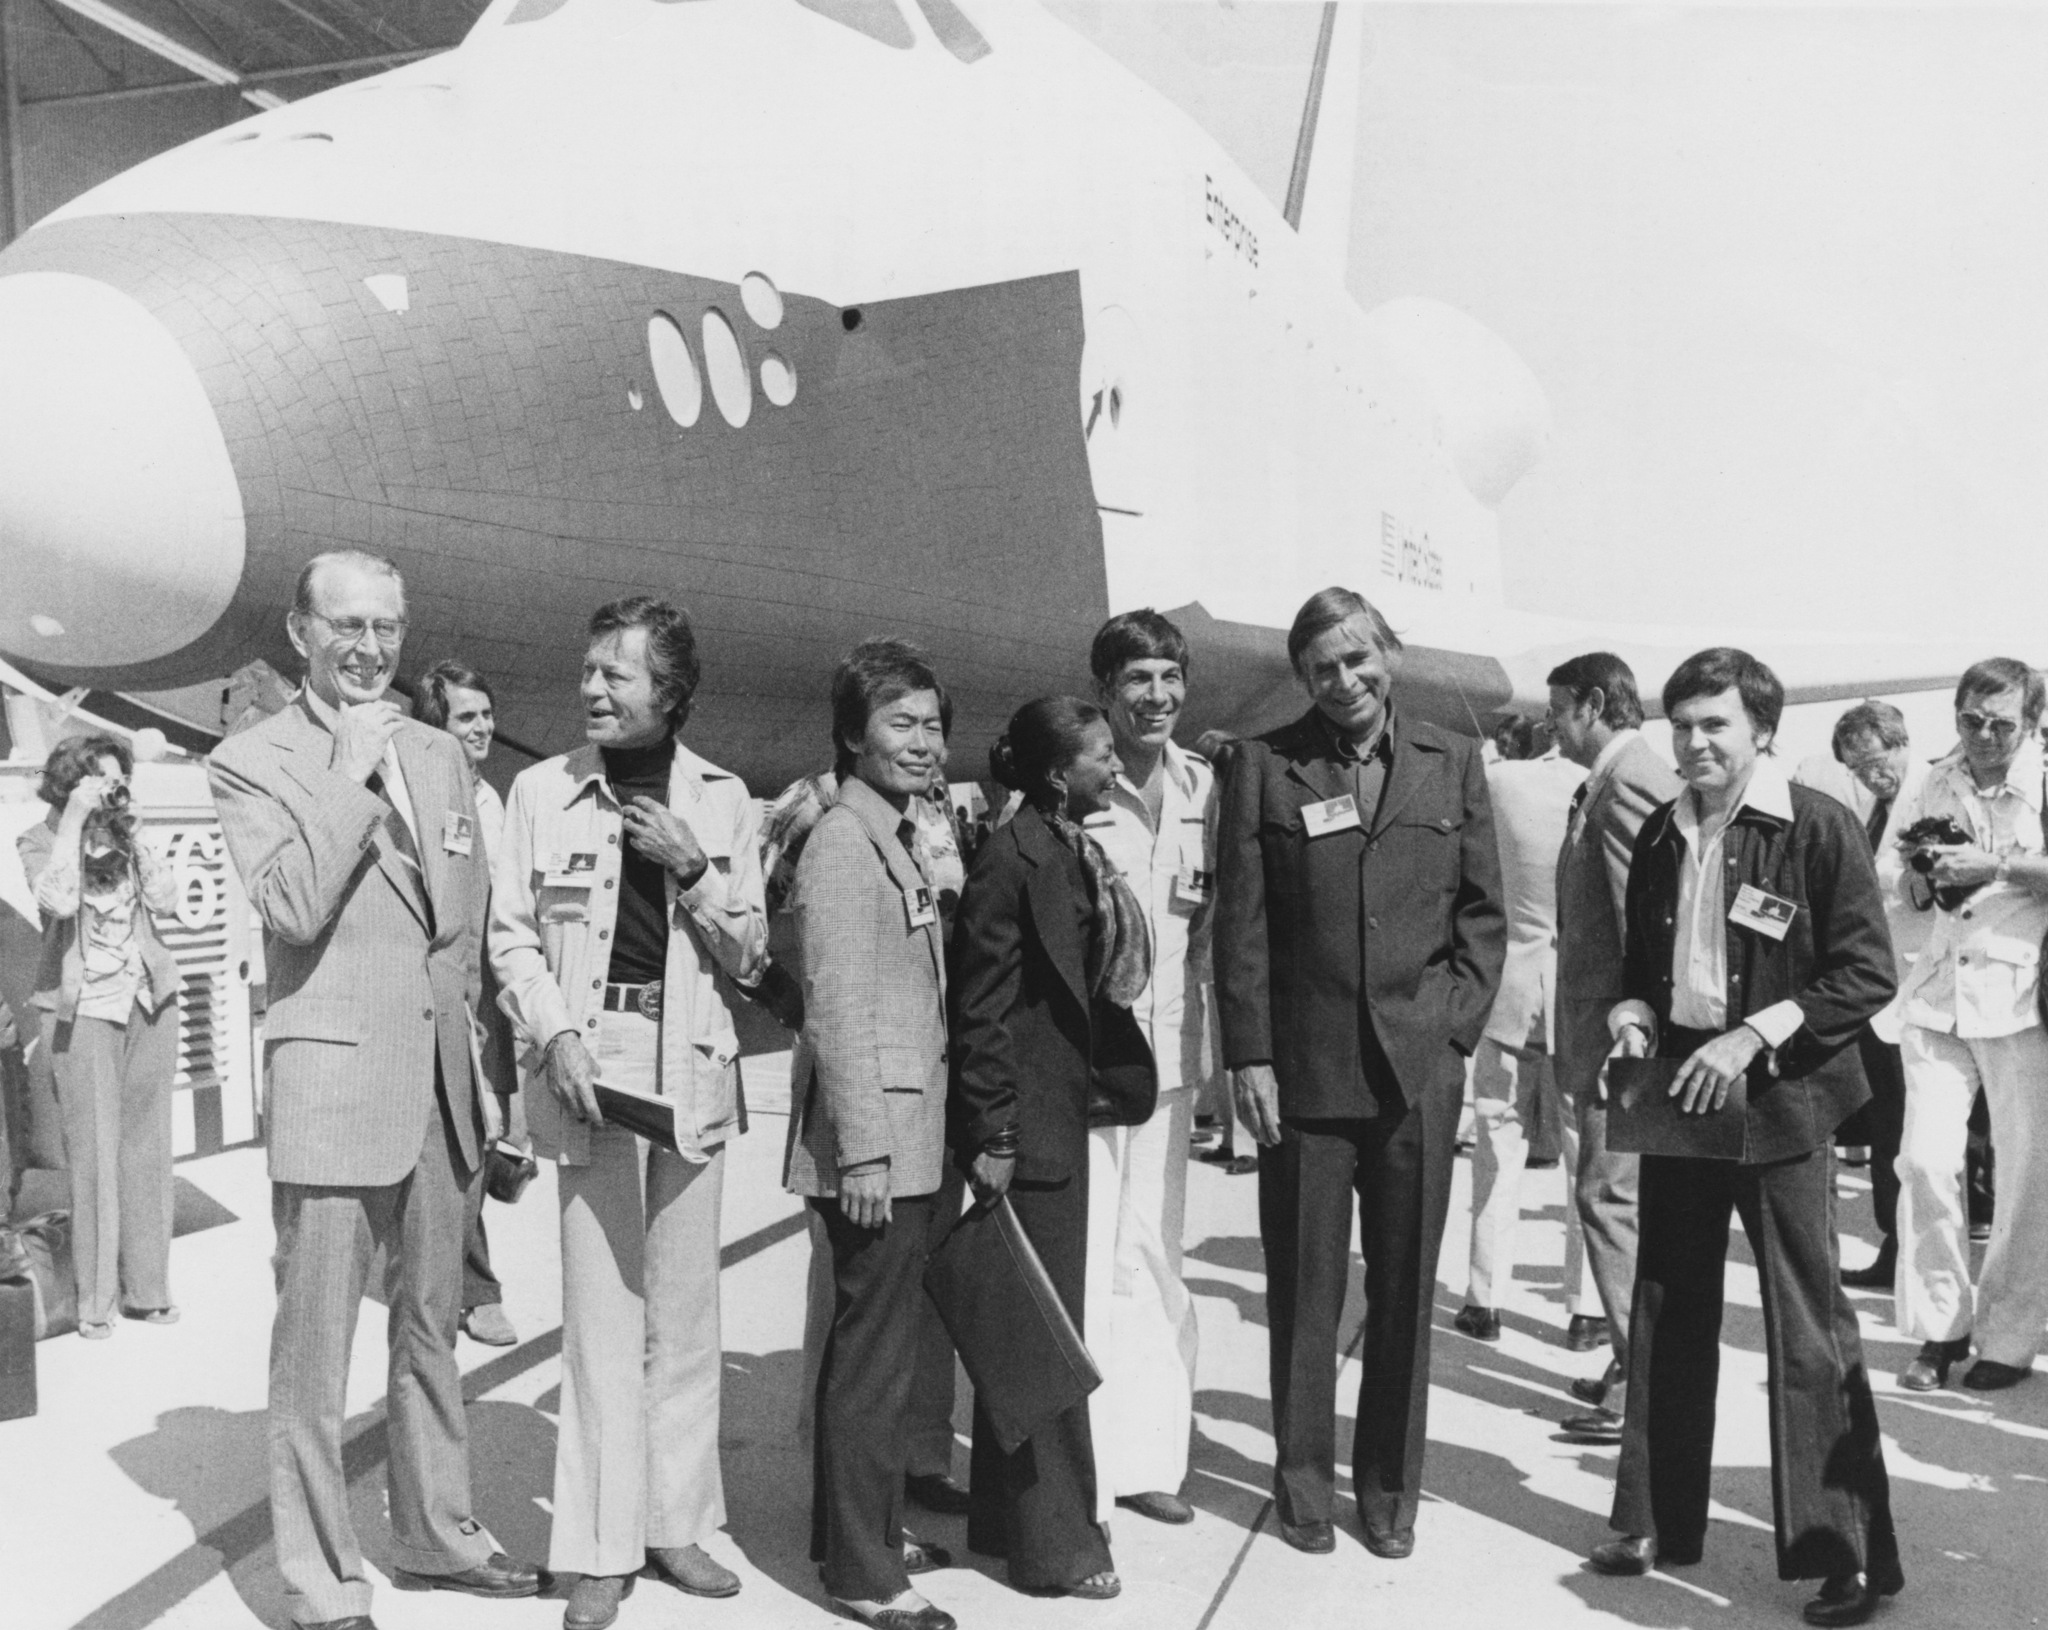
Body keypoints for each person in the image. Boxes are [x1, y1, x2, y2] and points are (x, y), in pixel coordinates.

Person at [210, 550, 543, 1629]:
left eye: (386, 627)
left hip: (442, 1088)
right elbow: (294, 906)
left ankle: (436, 1533)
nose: (368, 649)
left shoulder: (442, 754)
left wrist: (486, 1082)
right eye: (345, 626)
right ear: (299, 632)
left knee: (430, 1330)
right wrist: (349, 770)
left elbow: (464, 933)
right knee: (314, 1356)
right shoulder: (252, 760)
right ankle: (319, 1579)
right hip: (334, 1090)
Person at [1589, 648, 1899, 1630]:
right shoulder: (1658, 832)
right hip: (1680, 1093)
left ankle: (1841, 1552)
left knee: (1806, 1329)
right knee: (1665, 1312)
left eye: (1713, 723)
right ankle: (1651, 1522)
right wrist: (1631, 1015)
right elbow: (1642, 960)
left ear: (1759, 729)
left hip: (1785, 1104)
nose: (1692, 742)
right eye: (1680, 723)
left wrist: (1750, 1034)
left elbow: (1861, 974)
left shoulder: (1815, 825)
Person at [490, 596, 764, 1630]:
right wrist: (552, 1032)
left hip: (689, 1063)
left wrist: (694, 870)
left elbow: (751, 954)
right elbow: (510, 933)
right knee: (602, 1315)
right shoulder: (538, 791)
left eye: (618, 674)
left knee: (686, 1315)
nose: (592, 688)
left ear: (671, 694)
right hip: (586, 1065)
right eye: (590, 669)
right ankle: (599, 1547)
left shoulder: (724, 798)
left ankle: (674, 1522)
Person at [1214, 587, 1505, 1559]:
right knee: (1303, 1295)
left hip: (1415, 1076)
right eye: (1321, 667)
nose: (1344, 681)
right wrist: (1246, 1053)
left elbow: (1480, 921)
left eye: (1356, 657)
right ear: (1300, 678)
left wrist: (1451, 1043)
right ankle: (1301, 1491)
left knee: (1403, 1297)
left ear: (1389, 653)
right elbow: (1240, 925)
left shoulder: (1452, 761)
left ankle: (1388, 1494)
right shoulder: (1264, 766)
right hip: (1302, 1077)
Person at [950, 697, 1156, 1598]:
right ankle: (1058, 1549)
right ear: (1050, 773)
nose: (1114, 767)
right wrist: (992, 1131)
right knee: (1046, 1341)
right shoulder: (1011, 857)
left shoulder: (1062, 843)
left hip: (1054, 1122)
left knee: (1031, 1328)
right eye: (1099, 755)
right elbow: (982, 1007)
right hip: (1027, 1134)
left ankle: (1006, 1522)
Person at [784, 639, 961, 1630]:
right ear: (853, 734)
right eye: (900, 723)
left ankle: (858, 1529)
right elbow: (837, 1006)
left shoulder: (891, 831)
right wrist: (859, 1150)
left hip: (898, 1134)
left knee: (873, 1352)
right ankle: (862, 1573)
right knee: (871, 1361)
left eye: (933, 723)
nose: (923, 741)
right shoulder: (847, 844)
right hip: (877, 1146)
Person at [1078, 609, 1215, 1527]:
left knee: (1155, 1255)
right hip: (1088, 1066)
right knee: (1091, 1261)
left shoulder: (1208, 788)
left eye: (1170, 677)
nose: (1157, 696)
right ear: (1105, 692)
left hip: (1173, 1064)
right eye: (1137, 680)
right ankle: (1080, 1464)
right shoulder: (1074, 789)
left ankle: (1150, 1457)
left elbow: (1220, 933)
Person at [1880, 658, 2048, 1394]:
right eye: (1970, 720)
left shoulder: (2043, 780)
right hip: (1939, 992)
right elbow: (1896, 871)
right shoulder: (1933, 778)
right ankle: (1940, 1329)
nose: (1983, 736)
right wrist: (1923, 871)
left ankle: (2009, 1337)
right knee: (1923, 1161)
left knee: (2022, 1176)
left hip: (2020, 996)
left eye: (2002, 724)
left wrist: (1999, 864)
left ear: (2033, 724)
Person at [1543, 653, 1681, 1435]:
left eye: (1561, 709)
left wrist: (1638, 1041)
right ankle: (1635, 1361)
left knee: (1610, 1199)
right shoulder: (1614, 776)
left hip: (1622, 1040)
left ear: (1592, 705)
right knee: (1618, 1201)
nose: (1553, 724)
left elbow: (1649, 919)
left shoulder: (1628, 781)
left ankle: (1645, 1383)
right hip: (1611, 1032)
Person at [18, 733, 181, 1339]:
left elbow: (166, 899)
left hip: (147, 1002)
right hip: (83, 1009)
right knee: (92, 1156)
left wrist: (135, 831)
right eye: (102, 780)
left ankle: (149, 1288)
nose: (117, 789)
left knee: (146, 1147)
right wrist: (76, 823)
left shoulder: (128, 838)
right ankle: (95, 1300)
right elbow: (56, 902)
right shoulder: (38, 839)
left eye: (121, 779)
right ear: (69, 784)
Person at [1453, 715, 1593, 1346]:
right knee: (1583, 1152)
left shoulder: (1497, 781)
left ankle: (1484, 1297)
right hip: (1579, 989)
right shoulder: (1593, 781)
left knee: (1495, 1140)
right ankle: (1588, 1306)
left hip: (1509, 979)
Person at [1799, 702, 1931, 1292]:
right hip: (1883, 1000)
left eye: (1873, 761)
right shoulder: (1876, 808)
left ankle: (1911, 1252)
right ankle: (1894, 1245)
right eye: (1856, 767)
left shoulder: (1930, 795)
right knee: (1887, 1127)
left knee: (1910, 1132)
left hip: (1921, 991)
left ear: (1900, 743)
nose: (1868, 775)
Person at [416, 659, 521, 1349]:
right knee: (457, 1148)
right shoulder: (423, 801)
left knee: (498, 1141)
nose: (482, 727)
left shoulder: (493, 798)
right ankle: (473, 1289)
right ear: (438, 727)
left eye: (486, 715)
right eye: (466, 716)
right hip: (446, 989)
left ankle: (455, 1275)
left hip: (495, 986)